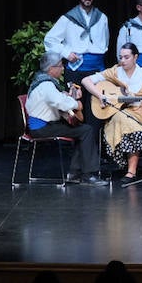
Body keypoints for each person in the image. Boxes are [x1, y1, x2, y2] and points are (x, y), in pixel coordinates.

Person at [43, 0, 109, 162]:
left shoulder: (102, 18)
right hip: (76, 70)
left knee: (96, 115)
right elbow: (49, 40)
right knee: (77, 114)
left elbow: (104, 44)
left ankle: (92, 158)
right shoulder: (68, 18)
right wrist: (66, 52)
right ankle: (77, 162)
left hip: (96, 71)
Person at [95, 42, 142, 186]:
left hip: (141, 113)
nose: (123, 60)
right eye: (121, 57)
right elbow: (86, 80)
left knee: (133, 126)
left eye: (126, 57)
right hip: (120, 112)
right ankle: (131, 167)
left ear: (135, 57)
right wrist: (99, 95)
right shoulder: (115, 72)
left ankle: (131, 170)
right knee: (124, 119)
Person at [25, 49, 99, 184]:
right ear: (51, 68)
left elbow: (58, 99)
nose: (62, 68)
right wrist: (77, 104)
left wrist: (69, 96)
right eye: (60, 65)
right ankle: (87, 175)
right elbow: (60, 103)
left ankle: (74, 172)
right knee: (86, 130)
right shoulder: (46, 85)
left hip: (42, 125)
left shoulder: (42, 80)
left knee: (81, 130)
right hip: (42, 127)